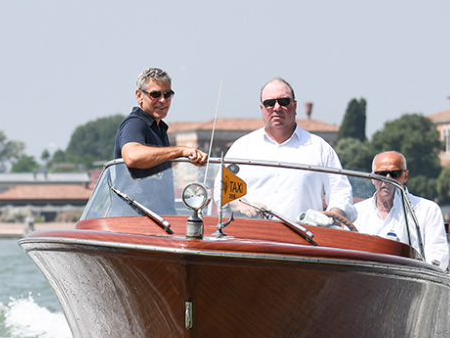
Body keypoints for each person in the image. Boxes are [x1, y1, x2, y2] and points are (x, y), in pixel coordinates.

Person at [222, 77, 355, 224]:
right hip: (252, 238)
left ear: (295, 106)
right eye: (270, 103)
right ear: (262, 108)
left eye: (284, 102)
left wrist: (330, 217)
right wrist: (241, 204)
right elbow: (223, 190)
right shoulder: (242, 148)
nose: (277, 108)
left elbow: (340, 192)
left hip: (305, 239)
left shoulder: (320, 148)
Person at [111, 68, 207, 215]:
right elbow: (132, 156)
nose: (162, 100)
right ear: (139, 95)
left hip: (161, 221)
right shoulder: (135, 123)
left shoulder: (160, 129)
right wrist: (180, 151)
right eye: (155, 94)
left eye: (167, 94)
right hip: (133, 222)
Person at [354, 151, 450, 271]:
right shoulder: (356, 212)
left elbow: (438, 259)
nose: (387, 179)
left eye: (394, 174)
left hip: (412, 280)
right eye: (381, 174)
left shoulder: (428, 209)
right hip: (366, 278)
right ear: (372, 178)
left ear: (405, 176)